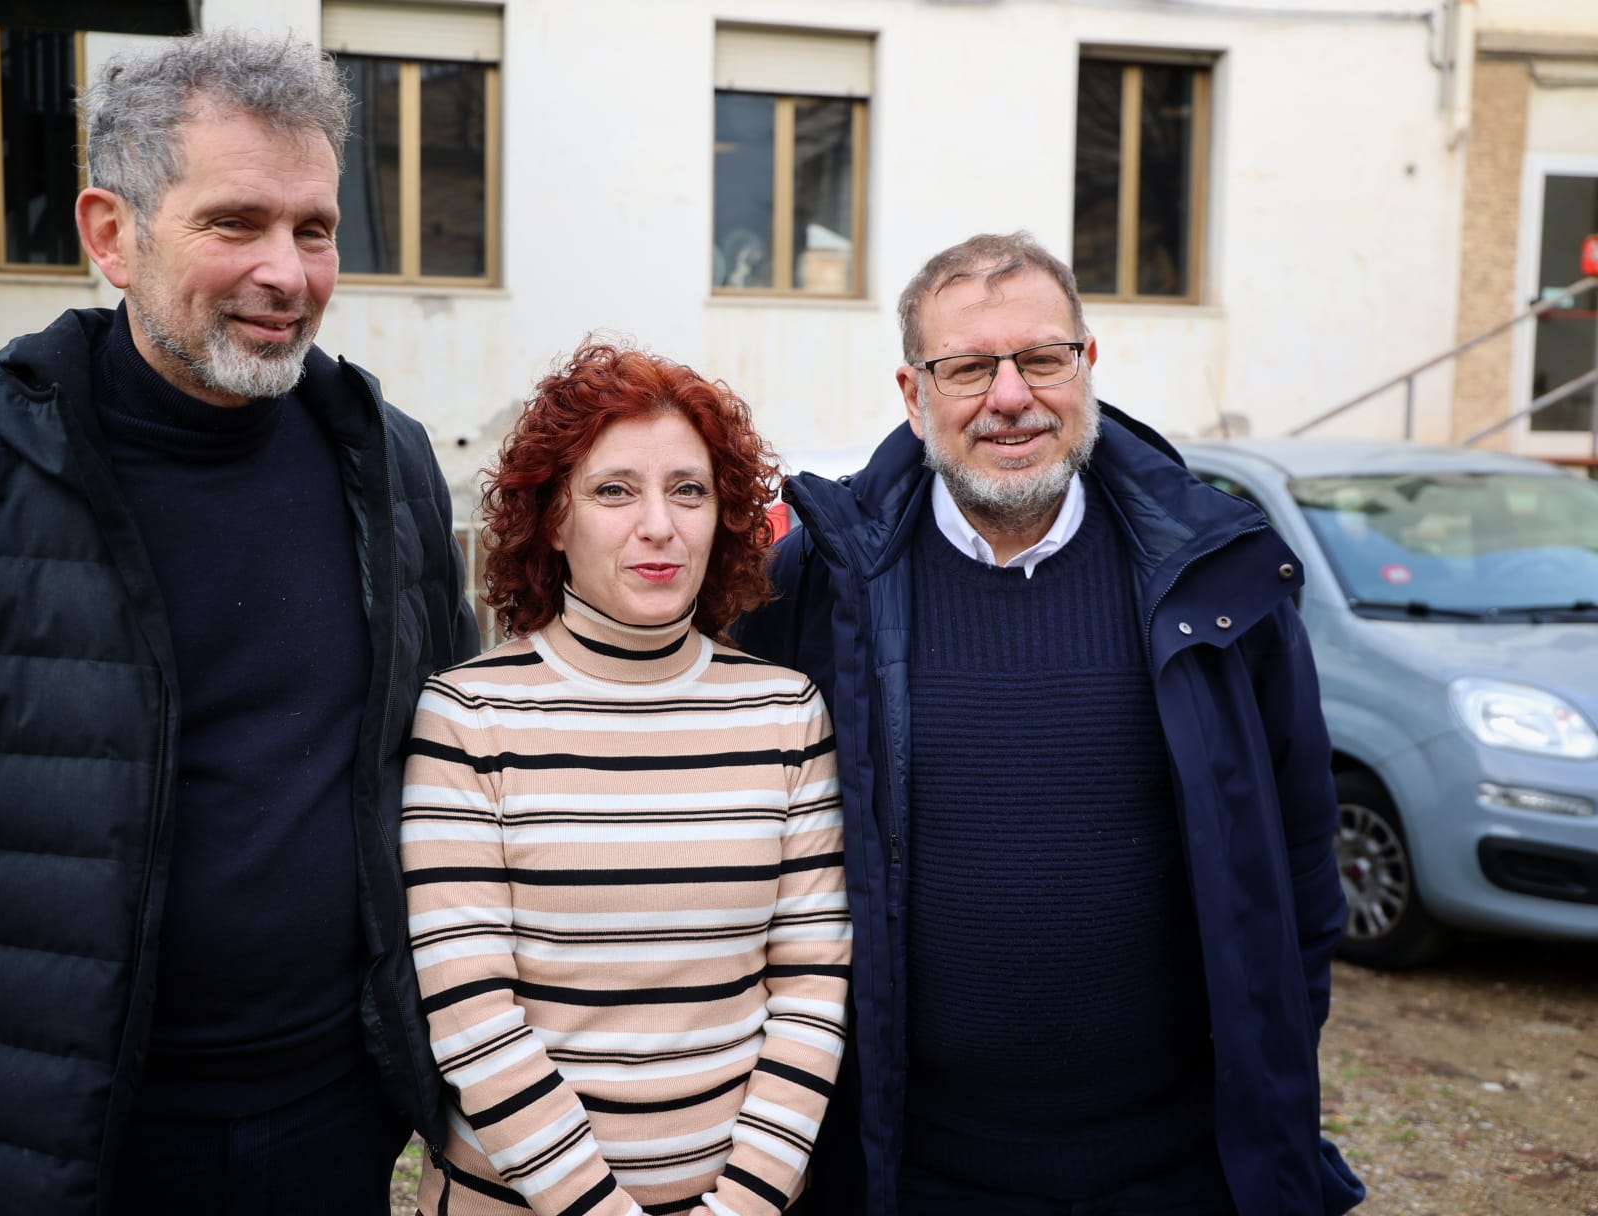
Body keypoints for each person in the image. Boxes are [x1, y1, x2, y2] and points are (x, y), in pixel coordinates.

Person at [0, 31, 477, 1215]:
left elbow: (439, 790)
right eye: (235, 223)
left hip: (333, 1127)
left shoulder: (387, 466)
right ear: (112, 234)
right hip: (51, 1152)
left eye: (314, 229)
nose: (287, 273)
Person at [735, 232, 1366, 1216]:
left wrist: (1265, 1067)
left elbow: (1296, 864)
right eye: (969, 368)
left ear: (1089, 367)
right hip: (911, 1174)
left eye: (1040, 359)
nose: (1011, 396)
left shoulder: (1218, 581)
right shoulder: (817, 589)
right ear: (913, 392)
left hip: (1176, 1174)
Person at [401, 342, 851, 1216]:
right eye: (615, 490)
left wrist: (741, 1207)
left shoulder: (786, 710)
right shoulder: (469, 716)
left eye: (689, 489)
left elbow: (810, 991)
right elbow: (470, 1011)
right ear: (554, 519)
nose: (659, 523)